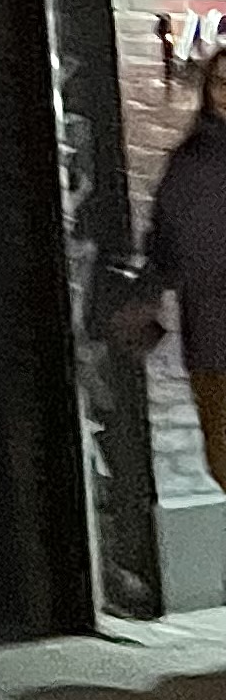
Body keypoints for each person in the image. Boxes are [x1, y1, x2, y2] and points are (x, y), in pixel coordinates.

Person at [126, 43, 226, 491]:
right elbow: (165, 240)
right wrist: (146, 298)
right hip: (212, 337)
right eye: (220, 82)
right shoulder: (189, 161)